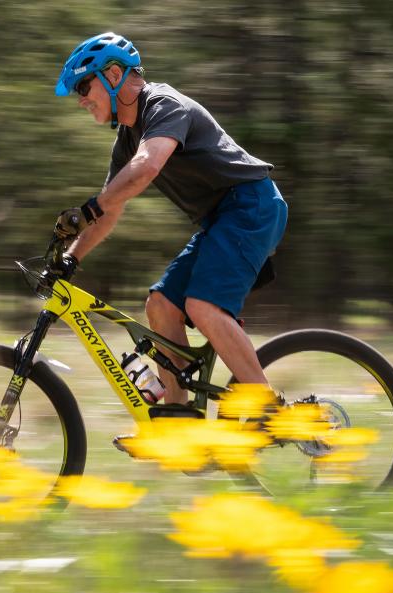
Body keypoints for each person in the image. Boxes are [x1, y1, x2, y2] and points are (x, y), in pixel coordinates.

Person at [51, 31, 288, 414]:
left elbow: (146, 168)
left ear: (113, 75)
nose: (81, 99)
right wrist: (72, 258)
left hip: (251, 205)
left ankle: (269, 410)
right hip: (221, 220)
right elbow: (111, 208)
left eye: (84, 85)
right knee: (161, 305)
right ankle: (178, 421)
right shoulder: (127, 139)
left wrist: (90, 208)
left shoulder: (164, 105)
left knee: (203, 306)